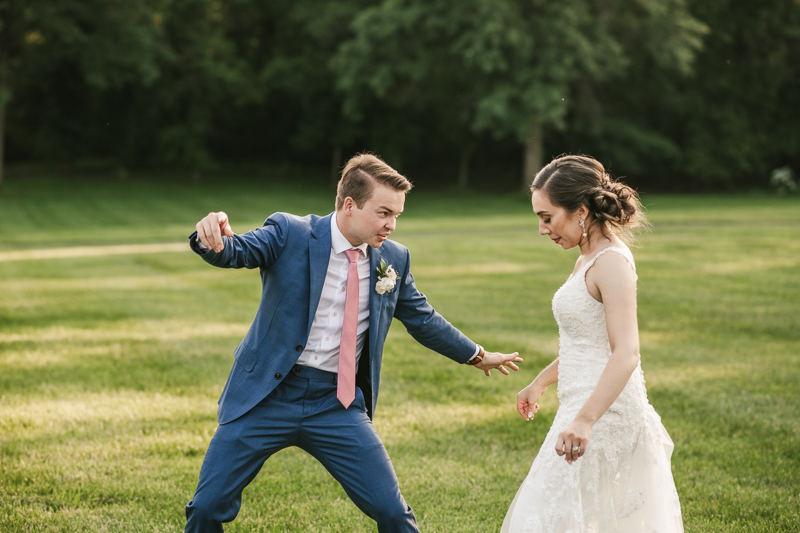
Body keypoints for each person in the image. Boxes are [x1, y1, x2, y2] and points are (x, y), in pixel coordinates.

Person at [184, 153, 523, 533]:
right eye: (383, 213)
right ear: (350, 205)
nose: (392, 225)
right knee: (207, 507)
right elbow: (237, 251)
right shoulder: (290, 232)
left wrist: (477, 355)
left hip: (337, 403)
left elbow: (422, 318)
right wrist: (209, 235)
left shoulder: (393, 259)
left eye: (397, 215)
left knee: (394, 514)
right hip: (266, 395)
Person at [501, 155, 682, 532]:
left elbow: (626, 352)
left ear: (580, 211)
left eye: (546, 217)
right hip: (578, 404)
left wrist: (585, 420)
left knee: (561, 514)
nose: (541, 229)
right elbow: (585, 342)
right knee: (564, 515)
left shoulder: (612, 262)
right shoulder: (587, 258)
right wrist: (541, 381)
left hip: (604, 412)